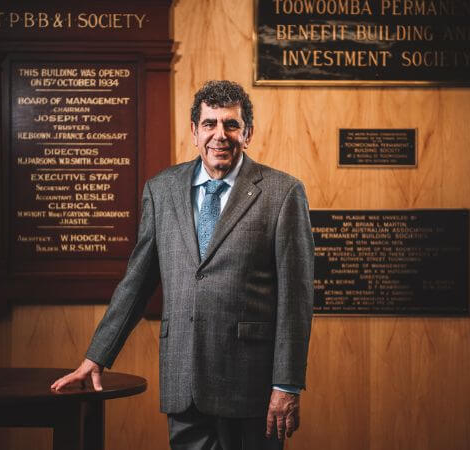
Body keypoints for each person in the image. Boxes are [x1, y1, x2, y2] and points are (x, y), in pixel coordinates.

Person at [52, 80, 314, 450]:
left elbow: (297, 299)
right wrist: (97, 357)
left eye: (231, 124)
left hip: (252, 389)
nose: (219, 135)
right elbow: (137, 283)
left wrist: (286, 384)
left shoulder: (282, 193)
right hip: (183, 383)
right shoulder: (162, 189)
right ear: (194, 132)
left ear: (248, 133)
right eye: (209, 124)